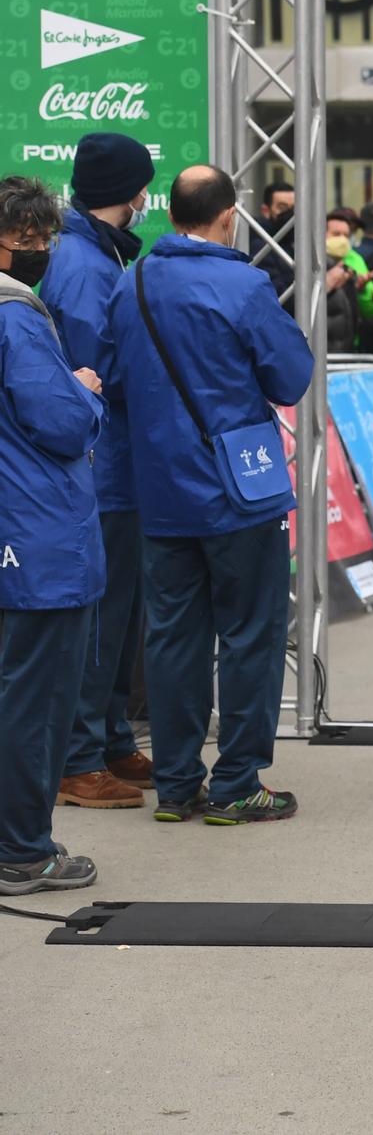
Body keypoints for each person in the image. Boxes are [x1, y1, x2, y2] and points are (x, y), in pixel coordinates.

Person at [105, 165, 313, 824]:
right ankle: (237, 782)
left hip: (161, 489)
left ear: (170, 214)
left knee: (171, 638)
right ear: (229, 215)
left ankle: (174, 784)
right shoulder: (246, 283)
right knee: (250, 633)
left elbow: (112, 377)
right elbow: (291, 376)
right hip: (237, 485)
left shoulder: (131, 281)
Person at [39, 134, 158, 810]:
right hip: (100, 468)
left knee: (123, 615)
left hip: (118, 466)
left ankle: (110, 739)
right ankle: (80, 758)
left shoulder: (97, 253)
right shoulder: (85, 265)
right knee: (105, 619)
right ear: (133, 191)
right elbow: (92, 370)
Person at [0, 176, 109, 894]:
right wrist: (84, 390)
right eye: (33, 239)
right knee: (33, 703)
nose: (41, 251)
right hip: (35, 531)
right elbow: (61, 422)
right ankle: (21, 850)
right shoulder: (14, 317)